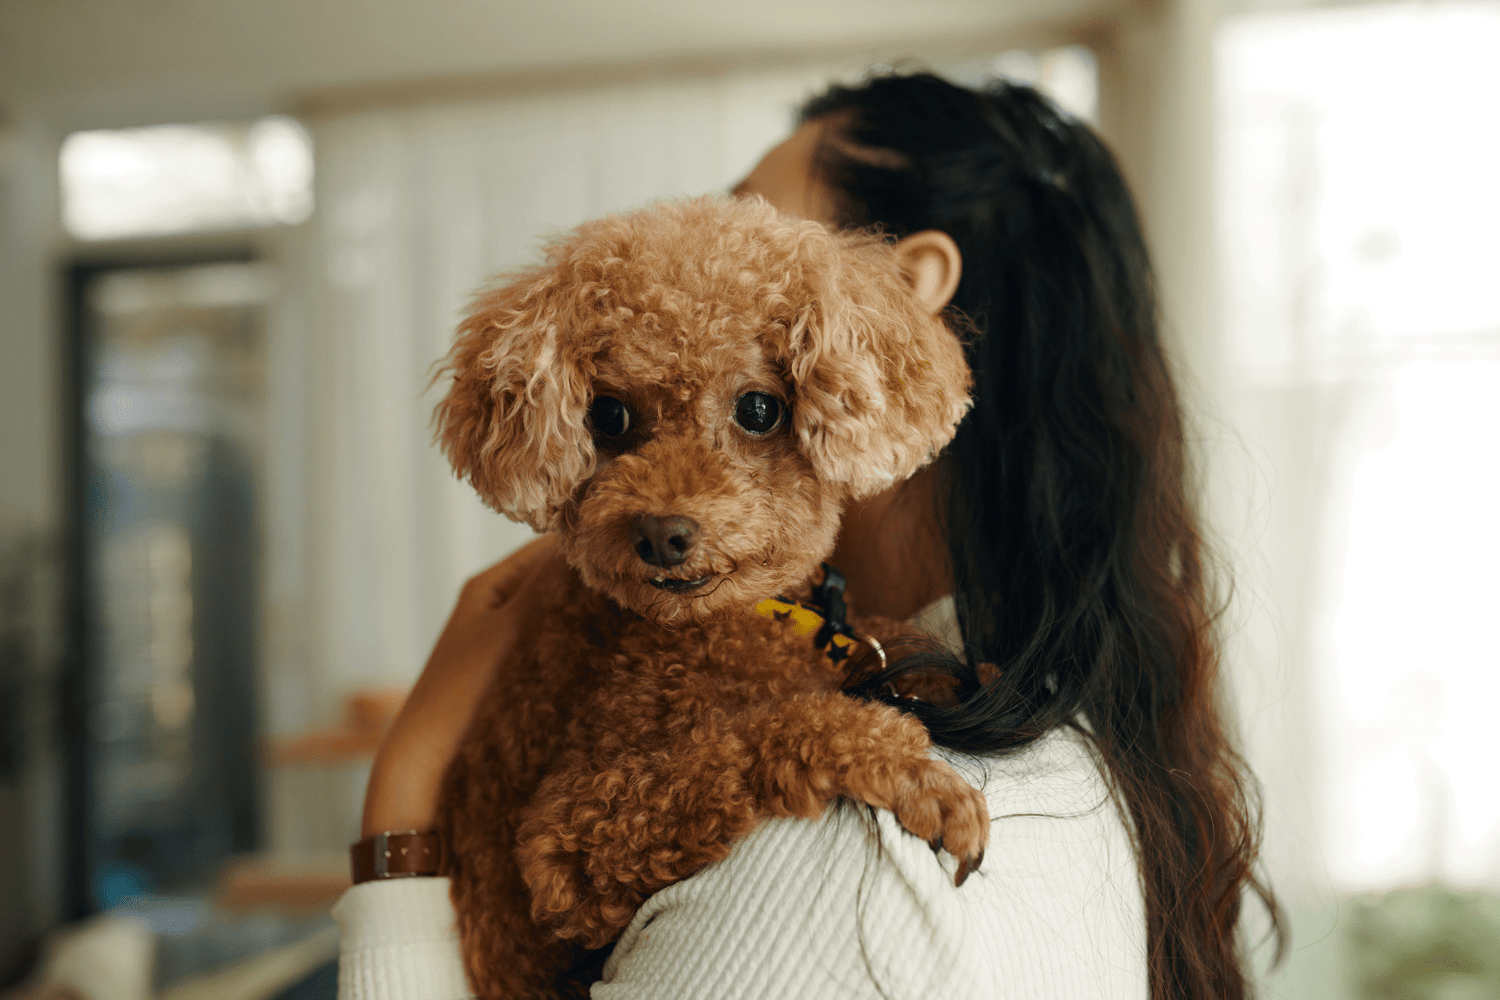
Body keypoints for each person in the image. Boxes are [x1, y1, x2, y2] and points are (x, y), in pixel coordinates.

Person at [335, 71, 1280, 1000]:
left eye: (754, 408)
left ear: (910, 295)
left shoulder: (852, 857)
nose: (666, 511)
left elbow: (585, 855)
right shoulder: (1059, 744)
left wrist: (401, 806)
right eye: (618, 424)